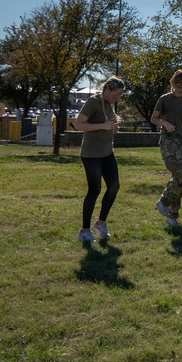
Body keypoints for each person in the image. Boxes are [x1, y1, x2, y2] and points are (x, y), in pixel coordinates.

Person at [74, 76, 126, 242]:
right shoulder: (93, 102)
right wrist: (103, 126)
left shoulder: (109, 104)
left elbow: (107, 123)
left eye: (120, 95)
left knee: (114, 187)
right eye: (116, 94)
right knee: (94, 190)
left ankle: (100, 223)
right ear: (107, 89)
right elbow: (79, 125)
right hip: (91, 154)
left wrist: (112, 128)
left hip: (107, 152)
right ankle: (84, 231)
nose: (117, 98)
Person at [151, 69, 182, 227]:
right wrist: (164, 123)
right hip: (168, 141)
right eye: (179, 84)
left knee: (180, 181)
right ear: (173, 83)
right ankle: (163, 202)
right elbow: (154, 119)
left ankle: (172, 216)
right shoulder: (165, 99)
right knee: (180, 175)